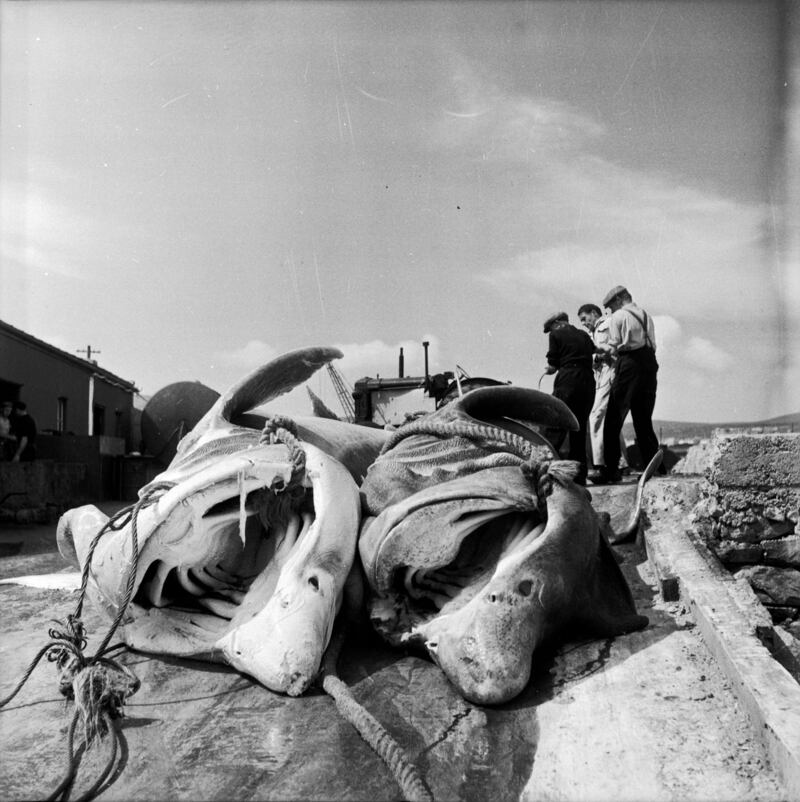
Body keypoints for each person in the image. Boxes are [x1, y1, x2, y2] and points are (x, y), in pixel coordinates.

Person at [595, 286, 660, 484]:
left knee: (613, 418)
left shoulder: (619, 317)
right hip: (649, 364)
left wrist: (600, 350)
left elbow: (614, 347)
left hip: (629, 364)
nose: (610, 311)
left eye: (611, 306)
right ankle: (654, 468)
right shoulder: (646, 316)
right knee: (643, 420)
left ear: (618, 300)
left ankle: (611, 470)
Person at [541, 311, 596, 483]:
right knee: (578, 429)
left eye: (551, 328)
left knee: (557, 423)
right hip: (588, 381)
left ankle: (540, 470)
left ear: (557, 323)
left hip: (568, 380)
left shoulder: (556, 334)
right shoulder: (583, 334)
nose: (551, 331)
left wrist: (549, 370)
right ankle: (579, 477)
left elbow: (553, 365)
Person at [577, 303, 629, 481]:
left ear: (594, 313)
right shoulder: (595, 331)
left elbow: (615, 348)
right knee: (610, 420)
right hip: (601, 376)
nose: (584, 323)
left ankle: (601, 465)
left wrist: (599, 357)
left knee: (596, 416)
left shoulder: (607, 324)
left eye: (585, 318)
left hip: (609, 373)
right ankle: (619, 463)